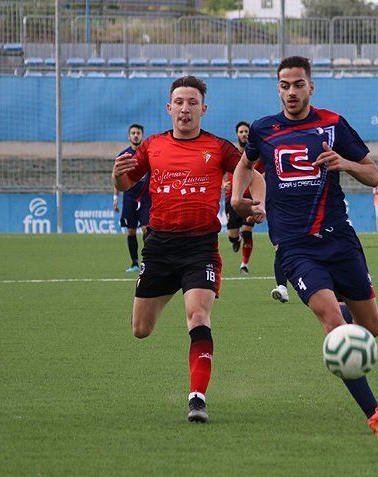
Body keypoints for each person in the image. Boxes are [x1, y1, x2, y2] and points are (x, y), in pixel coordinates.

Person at [231, 56, 378, 437]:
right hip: (294, 247)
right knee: (335, 326)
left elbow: (373, 175)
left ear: (311, 87)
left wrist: (345, 163)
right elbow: (244, 165)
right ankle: (376, 416)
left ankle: (341, 310)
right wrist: (237, 199)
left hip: (339, 240)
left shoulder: (332, 124)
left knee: (370, 328)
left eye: (298, 84)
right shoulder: (262, 129)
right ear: (278, 89)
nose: (292, 91)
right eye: (285, 85)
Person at [111, 76, 265, 422]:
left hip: (200, 248)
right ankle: (164, 292)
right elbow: (126, 182)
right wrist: (116, 177)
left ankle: (197, 398)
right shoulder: (151, 146)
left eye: (192, 102)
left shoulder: (220, 148)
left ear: (203, 109)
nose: (185, 108)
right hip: (160, 248)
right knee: (141, 329)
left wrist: (256, 202)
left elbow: (253, 173)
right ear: (169, 108)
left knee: (198, 316)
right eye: (179, 102)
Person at [114, 123, 152, 272]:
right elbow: (117, 178)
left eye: (138, 133)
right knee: (130, 230)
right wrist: (115, 199)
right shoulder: (124, 156)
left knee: (146, 229)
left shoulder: (148, 154)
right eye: (133, 133)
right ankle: (134, 263)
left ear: (142, 135)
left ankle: (147, 262)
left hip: (146, 197)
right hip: (129, 197)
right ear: (129, 136)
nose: (136, 135)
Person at [223, 121, 258, 274]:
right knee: (232, 235)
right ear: (237, 134)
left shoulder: (257, 154)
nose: (244, 134)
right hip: (233, 198)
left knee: (247, 232)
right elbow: (220, 171)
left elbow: (264, 172)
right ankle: (235, 240)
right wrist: (222, 183)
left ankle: (244, 264)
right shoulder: (231, 153)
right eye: (241, 132)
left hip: (250, 200)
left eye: (246, 131)